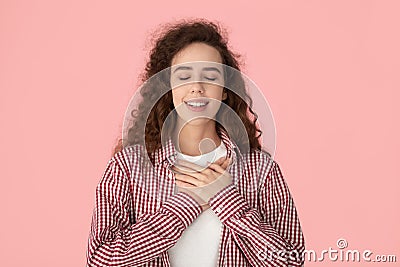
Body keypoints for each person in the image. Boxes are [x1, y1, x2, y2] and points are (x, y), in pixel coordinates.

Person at [86, 19, 305, 267]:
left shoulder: (260, 170)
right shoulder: (128, 167)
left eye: (210, 76)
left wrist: (227, 200)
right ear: (167, 86)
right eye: (184, 76)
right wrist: (187, 203)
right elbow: (100, 260)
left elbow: (290, 261)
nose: (197, 88)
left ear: (224, 89)